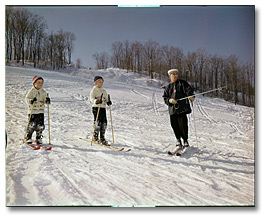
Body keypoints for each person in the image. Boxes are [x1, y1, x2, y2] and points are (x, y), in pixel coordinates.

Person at [163, 69, 195, 150]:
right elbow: (165, 97)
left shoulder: (182, 83)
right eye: (173, 74)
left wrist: (191, 96)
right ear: (170, 76)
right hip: (172, 110)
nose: (175, 75)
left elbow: (189, 90)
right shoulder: (168, 87)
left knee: (183, 125)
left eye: (176, 74)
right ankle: (178, 140)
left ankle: (185, 140)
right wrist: (169, 100)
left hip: (182, 108)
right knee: (175, 126)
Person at [25, 76, 50, 144]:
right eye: (39, 82)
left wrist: (47, 100)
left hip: (40, 111)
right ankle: (28, 137)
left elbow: (45, 99)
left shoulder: (43, 92)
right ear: (34, 83)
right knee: (32, 125)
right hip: (33, 111)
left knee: (40, 125)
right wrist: (31, 101)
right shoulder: (32, 91)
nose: (40, 84)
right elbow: (27, 99)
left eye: (41, 83)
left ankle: (38, 138)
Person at [90, 76, 112, 145]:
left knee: (104, 122)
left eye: (102, 82)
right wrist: (96, 101)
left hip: (103, 108)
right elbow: (91, 98)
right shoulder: (94, 90)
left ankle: (102, 138)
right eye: (100, 81)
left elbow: (105, 99)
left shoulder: (104, 91)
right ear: (96, 82)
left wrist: (108, 102)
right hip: (96, 107)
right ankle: (95, 137)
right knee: (98, 122)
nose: (101, 83)